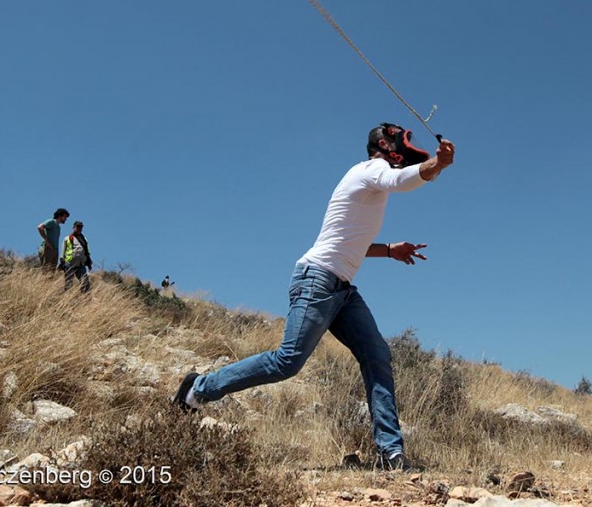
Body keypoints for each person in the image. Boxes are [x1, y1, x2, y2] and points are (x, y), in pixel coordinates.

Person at [173, 123, 455, 471]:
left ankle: (390, 452)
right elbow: (402, 181)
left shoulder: (372, 185)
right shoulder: (371, 169)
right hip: (317, 280)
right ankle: (199, 388)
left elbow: (348, 242)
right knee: (286, 362)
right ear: (384, 144)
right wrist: (437, 165)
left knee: (376, 355)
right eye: (401, 141)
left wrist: (389, 251)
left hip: (341, 290)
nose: (407, 147)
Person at [62, 220, 93, 293]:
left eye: (81, 227)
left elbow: (87, 251)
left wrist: (89, 262)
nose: (79, 228)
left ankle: (85, 297)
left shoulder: (84, 239)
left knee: (85, 281)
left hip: (81, 264)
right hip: (70, 263)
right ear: (74, 227)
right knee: (69, 281)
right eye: (78, 227)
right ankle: (67, 297)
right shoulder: (68, 238)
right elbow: (63, 251)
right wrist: (62, 261)